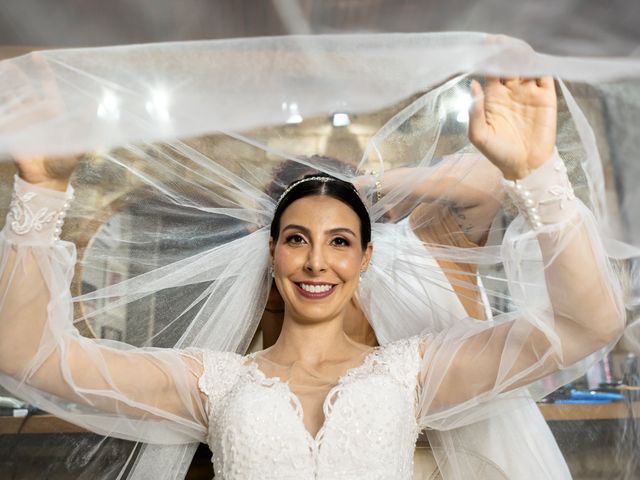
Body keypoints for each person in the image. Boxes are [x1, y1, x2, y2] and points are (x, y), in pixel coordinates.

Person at [0, 74, 625, 480]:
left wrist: (538, 173)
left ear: (365, 258)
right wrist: (44, 187)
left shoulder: (415, 373)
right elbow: (27, 354)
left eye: (341, 241)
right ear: (271, 253)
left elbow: (589, 323)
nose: (317, 261)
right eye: (297, 239)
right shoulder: (213, 382)